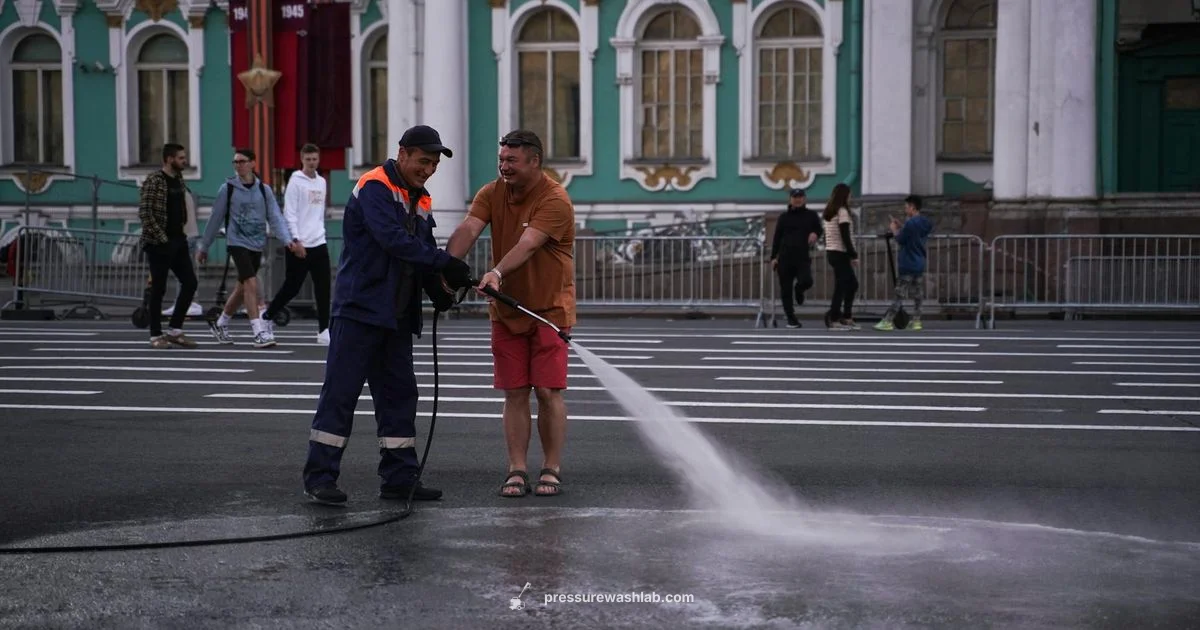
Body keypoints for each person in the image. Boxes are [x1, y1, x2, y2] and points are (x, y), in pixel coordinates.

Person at [301, 125, 474, 506]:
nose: (428, 170)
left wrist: (440, 289)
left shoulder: (421, 199)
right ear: (403, 153)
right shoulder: (374, 186)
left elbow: (420, 250)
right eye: (423, 161)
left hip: (396, 318)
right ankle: (319, 478)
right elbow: (393, 240)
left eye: (434, 165)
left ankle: (399, 478)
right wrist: (445, 262)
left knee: (399, 397)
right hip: (359, 311)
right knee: (340, 395)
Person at [445, 129, 576, 499]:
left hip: (550, 309)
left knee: (547, 391)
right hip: (506, 309)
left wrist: (497, 273)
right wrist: (441, 267)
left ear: (534, 161)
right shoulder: (491, 193)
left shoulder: (555, 199)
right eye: (501, 159)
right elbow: (470, 228)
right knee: (514, 391)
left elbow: (529, 243)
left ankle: (551, 467)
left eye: (512, 161)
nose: (504, 166)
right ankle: (517, 468)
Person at [197, 148, 303, 349]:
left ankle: (221, 323)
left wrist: (287, 240)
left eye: (242, 161)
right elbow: (215, 219)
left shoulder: (264, 190)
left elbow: (275, 217)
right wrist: (204, 246)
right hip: (237, 243)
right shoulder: (227, 189)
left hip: (257, 243)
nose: (238, 165)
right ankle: (258, 331)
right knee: (251, 283)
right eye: (235, 162)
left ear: (253, 164)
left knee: (242, 288)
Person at [262, 143, 333, 345]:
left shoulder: (322, 182)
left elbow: (318, 213)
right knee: (292, 287)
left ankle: (323, 330)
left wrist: (320, 233)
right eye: (308, 159)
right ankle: (267, 317)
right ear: (302, 160)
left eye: (314, 159)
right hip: (299, 244)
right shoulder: (295, 182)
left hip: (319, 241)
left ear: (318, 160)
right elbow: (290, 213)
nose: (311, 163)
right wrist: (295, 240)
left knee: (323, 288)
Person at [137, 143, 199, 349]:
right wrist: (162, 239)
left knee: (190, 283)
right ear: (169, 159)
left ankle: (174, 330)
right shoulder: (155, 180)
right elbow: (146, 213)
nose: (184, 161)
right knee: (158, 289)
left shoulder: (178, 179)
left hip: (178, 240)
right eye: (181, 158)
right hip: (159, 243)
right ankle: (155, 335)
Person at [876, 195, 934, 331]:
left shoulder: (910, 223)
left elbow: (901, 239)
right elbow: (914, 234)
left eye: (906, 207)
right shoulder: (925, 222)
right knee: (918, 294)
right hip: (919, 262)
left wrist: (894, 229)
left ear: (913, 207)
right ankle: (916, 321)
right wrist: (902, 226)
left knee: (899, 294)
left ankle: (887, 321)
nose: (905, 209)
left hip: (907, 262)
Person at [769, 188, 822, 328]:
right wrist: (773, 257)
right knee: (785, 289)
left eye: (800, 197)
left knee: (807, 280)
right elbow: (777, 238)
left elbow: (819, 229)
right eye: (795, 197)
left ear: (804, 199)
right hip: (785, 257)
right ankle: (791, 319)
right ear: (790, 199)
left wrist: (815, 234)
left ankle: (799, 289)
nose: (798, 199)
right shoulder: (784, 217)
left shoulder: (811, 215)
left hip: (802, 256)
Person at [821, 183, 860, 330]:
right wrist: (853, 255)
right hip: (840, 252)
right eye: (849, 195)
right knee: (843, 286)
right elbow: (845, 236)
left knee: (849, 284)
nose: (850, 198)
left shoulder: (829, 211)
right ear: (844, 196)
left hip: (832, 252)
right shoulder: (842, 211)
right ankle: (835, 318)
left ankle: (846, 316)